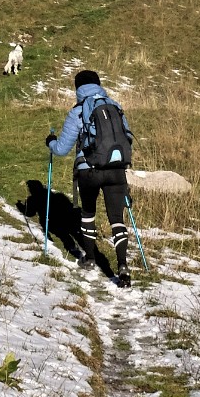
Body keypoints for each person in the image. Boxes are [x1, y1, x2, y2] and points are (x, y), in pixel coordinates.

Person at [46, 69, 134, 287]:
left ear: (78, 88)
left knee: (88, 214)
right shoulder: (115, 106)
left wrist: (50, 142)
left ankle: (91, 258)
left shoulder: (77, 111)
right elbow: (128, 138)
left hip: (89, 171)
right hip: (116, 170)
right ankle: (122, 266)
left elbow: (62, 149)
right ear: (98, 84)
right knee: (117, 219)